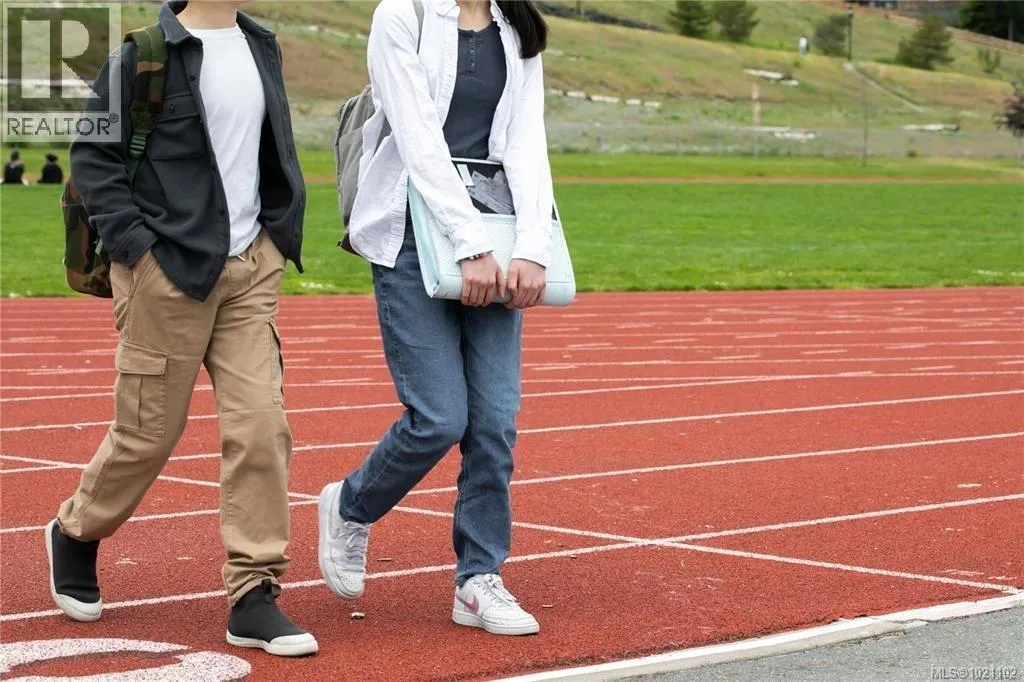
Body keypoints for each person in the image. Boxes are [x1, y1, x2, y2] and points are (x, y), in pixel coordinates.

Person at [44, 0, 316, 657]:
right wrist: (138, 249)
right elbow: (92, 158)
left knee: (261, 426)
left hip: (250, 267)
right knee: (147, 435)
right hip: (166, 272)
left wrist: (275, 236)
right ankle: (76, 531)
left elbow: (266, 150)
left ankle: (254, 592)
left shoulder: (261, 45)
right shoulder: (142, 53)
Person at [317, 0, 554, 637]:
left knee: (494, 423)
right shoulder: (402, 15)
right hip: (411, 234)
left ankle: (479, 578)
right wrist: (467, 242)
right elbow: (418, 139)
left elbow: (527, 140)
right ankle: (351, 505)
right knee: (440, 417)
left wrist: (533, 245)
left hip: (497, 237)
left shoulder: (517, 27)